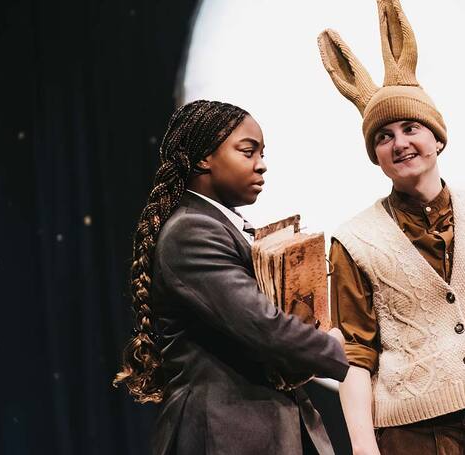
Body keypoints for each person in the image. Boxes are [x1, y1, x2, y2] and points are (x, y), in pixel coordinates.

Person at [317, 1, 465, 454]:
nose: (399, 143)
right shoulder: (355, 242)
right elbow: (355, 359)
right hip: (411, 440)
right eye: (384, 137)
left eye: (410, 128)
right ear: (375, 154)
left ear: (436, 136)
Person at [113, 100, 349, 455]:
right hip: (225, 433)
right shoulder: (192, 231)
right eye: (248, 152)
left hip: (255, 427)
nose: (262, 165)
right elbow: (260, 325)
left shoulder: (220, 226)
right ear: (204, 158)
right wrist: (340, 351)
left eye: (262, 153)